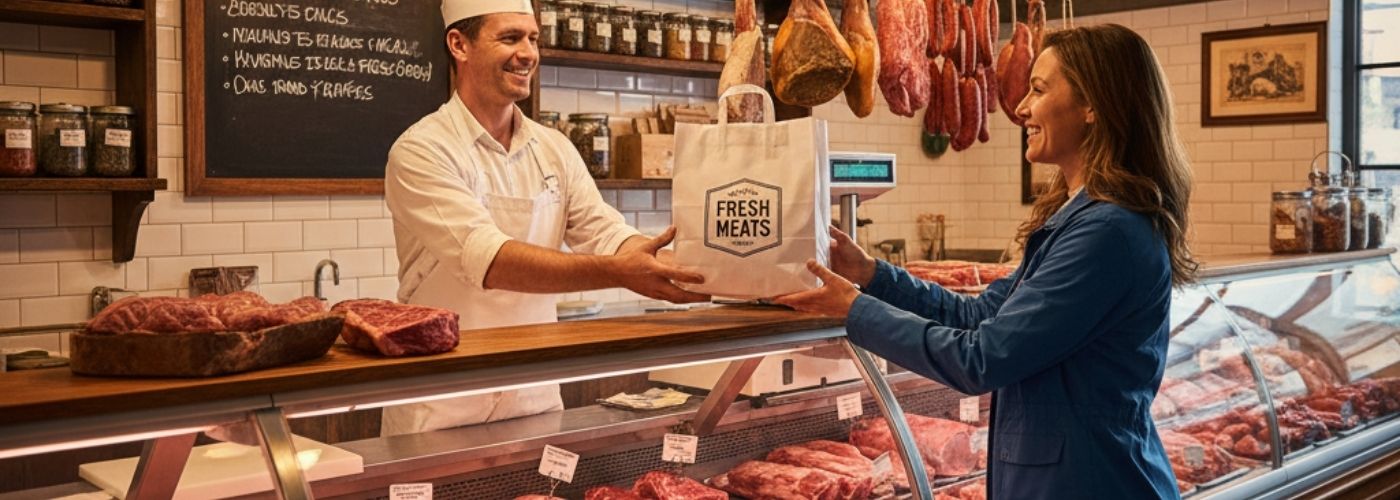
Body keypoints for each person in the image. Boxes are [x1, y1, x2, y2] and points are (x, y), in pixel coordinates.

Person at [775, 24, 1196, 499]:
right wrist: (872, 276)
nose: (1020, 108)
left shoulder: (1107, 232)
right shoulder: (1083, 219)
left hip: (1091, 480)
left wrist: (854, 311)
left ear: (1093, 105)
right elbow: (977, 316)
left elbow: (981, 359)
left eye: (1037, 90)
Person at [381, 0, 708, 436]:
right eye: (510, 38)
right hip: (442, 401)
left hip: (531, 395)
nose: (528, 53)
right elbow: (489, 260)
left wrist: (660, 262)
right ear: (459, 45)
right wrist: (619, 272)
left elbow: (602, 229)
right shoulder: (423, 149)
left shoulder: (553, 148)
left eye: (533, 38)